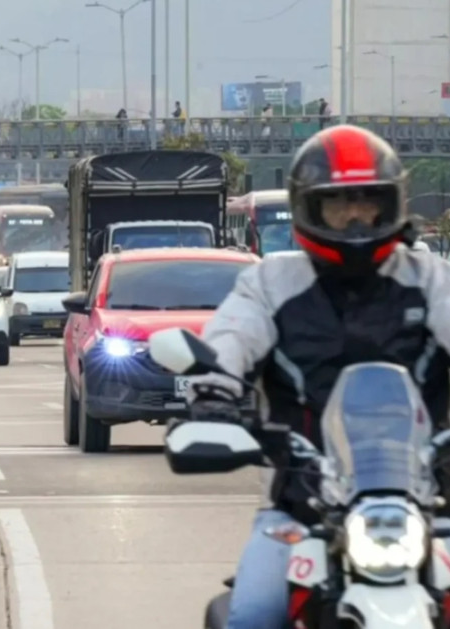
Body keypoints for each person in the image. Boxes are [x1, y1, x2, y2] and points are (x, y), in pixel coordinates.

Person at [182, 124, 450, 629]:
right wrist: (213, 395)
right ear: (310, 209)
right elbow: (231, 338)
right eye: (337, 204)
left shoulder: (429, 278)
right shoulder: (271, 281)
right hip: (302, 507)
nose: (354, 217)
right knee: (253, 615)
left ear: (391, 205)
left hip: (430, 502)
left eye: (367, 202)